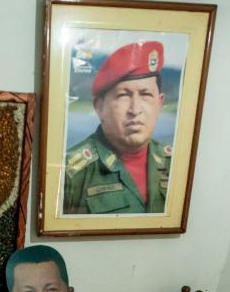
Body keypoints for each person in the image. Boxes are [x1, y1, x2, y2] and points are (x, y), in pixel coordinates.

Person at [62, 40, 173, 215]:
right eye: (123, 95)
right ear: (99, 107)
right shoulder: (71, 173)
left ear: (159, 103)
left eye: (145, 95)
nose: (135, 109)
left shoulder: (173, 163)